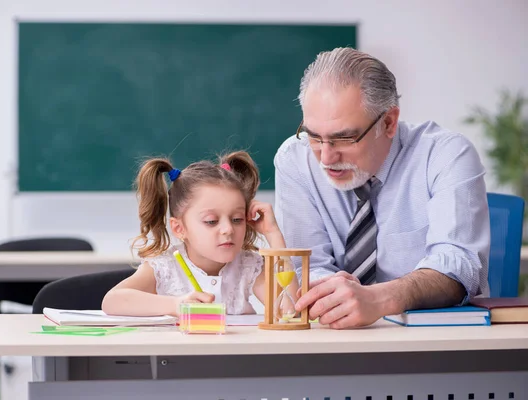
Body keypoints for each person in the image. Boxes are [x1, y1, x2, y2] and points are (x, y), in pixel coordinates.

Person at [274, 47, 490, 329]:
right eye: (314, 137)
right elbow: (306, 266)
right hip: (333, 339)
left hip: (432, 343)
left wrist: (380, 298)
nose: (325, 157)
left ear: (388, 122)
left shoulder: (445, 154)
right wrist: (333, 291)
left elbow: (460, 265)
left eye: (345, 138)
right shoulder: (295, 159)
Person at [102, 151, 294, 317]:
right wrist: (176, 305)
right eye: (211, 221)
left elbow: (290, 309)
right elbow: (112, 301)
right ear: (179, 229)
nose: (228, 229)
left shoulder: (248, 265)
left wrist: (273, 233)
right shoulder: (166, 266)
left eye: (237, 219)